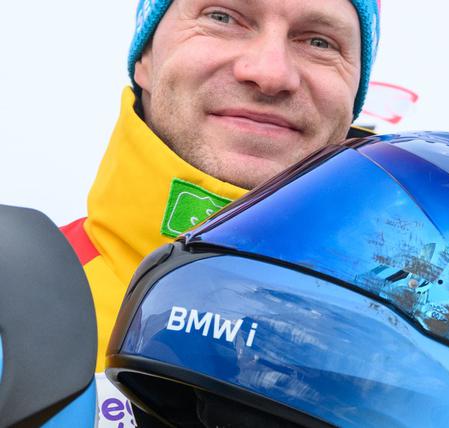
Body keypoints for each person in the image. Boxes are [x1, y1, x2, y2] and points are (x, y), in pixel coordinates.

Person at [55, 0, 380, 423]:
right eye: (222, 17)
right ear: (145, 57)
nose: (270, 74)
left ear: (355, 94)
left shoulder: (424, 359)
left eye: (319, 42)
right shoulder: (12, 301)